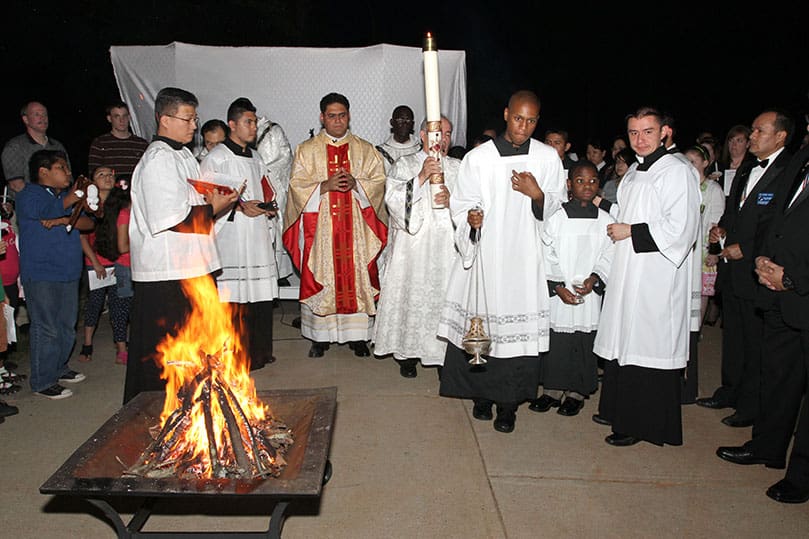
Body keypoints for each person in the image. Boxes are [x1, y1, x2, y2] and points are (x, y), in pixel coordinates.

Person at [437, 90, 565, 434]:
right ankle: (481, 397)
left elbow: (557, 207)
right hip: (487, 257)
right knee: (485, 328)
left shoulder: (547, 158)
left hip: (524, 260)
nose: (524, 127)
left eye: (532, 121)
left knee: (516, 340)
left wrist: (537, 195)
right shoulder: (479, 158)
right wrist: (472, 220)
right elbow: (461, 203)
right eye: (518, 118)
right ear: (506, 114)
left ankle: (508, 407)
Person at [593, 106, 700, 447]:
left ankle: (642, 425)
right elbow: (624, 216)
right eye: (634, 133)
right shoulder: (635, 173)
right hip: (628, 273)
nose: (639, 140)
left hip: (656, 277)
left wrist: (631, 231)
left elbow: (681, 229)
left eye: (648, 132)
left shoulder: (677, 171)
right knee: (625, 343)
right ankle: (619, 412)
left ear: (665, 132)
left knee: (646, 346)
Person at [124, 87, 238, 404]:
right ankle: (153, 416)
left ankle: (193, 412)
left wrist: (217, 200)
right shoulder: (158, 159)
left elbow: (194, 202)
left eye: (194, 118)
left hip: (192, 265)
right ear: (164, 119)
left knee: (197, 350)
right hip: (168, 273)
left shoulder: (183, 155)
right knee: (167, 357)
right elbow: (171, 218)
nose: (193, 126)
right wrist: (214, 207)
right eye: (187, 119)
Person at [716, 122, 809, 504]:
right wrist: (766, 261)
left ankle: (801, 476)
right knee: (779, 377)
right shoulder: (800, 160)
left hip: (797, 284)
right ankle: (767, 447)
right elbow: (777, 220)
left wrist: (794, 278)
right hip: (778, 289)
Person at [695, 110, 793, 428]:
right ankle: (730, 391)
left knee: (755, 342)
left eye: (758, 131)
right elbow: (736, 214)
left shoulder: (789, 172)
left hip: (760, 271)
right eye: (751, 130)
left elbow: (781, 227)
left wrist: (748, 250)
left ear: (780, 136)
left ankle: (751, 405)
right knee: (733, 337)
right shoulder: (747, 167)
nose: (751, 136)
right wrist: (720, 230)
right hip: (733, 269)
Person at [282, 92, 387, 358]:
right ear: (322, 117)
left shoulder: (365, 149)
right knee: (324, 275)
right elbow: (295, 186)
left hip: (356, 231)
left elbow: (379, 181)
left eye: (342, 115)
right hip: (323, 231)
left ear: (349, 116)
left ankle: (358, 337)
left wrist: (359, 185)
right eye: (332, 116)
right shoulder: (306, 150)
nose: (338, 121)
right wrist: (323, 186)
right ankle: (321, 337)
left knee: (358, 276)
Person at [373, 116, 459, 378]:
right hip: (413, 249)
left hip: (447, 249)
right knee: (412, 295)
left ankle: (444, 355)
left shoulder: (459, 167)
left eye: (447, 133)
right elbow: (394, 201)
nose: (442, 138)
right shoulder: (405, 164)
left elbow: (474, 205)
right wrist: (421, 177)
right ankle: (407, 352)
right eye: (436, 132)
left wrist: (453, 201)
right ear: (422, 135)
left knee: (444, 298)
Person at [529, 161, 614, 417]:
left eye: (592, 181)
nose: (586, 186)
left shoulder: (606, 220)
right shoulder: (557, 218)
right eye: (580, 181)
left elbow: (610, 253)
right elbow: (545, 251)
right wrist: (557, 286)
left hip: (589, 293)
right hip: (560, 292)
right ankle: (553, 389)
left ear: (599, 185)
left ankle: (577, 392)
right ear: (569, 184)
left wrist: (595, 277)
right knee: (558, 342)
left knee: (583, 342)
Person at [200, 97, 279, 371]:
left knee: (257, 296)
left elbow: (264, 188)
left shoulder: (255, 157)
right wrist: (240, 207)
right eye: (249, 122)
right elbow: (205, 199)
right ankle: (233, 356)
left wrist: (267, 207)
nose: (254, 127)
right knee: (234, 298)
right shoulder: (217, 157)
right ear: (232, 124)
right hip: (231, 235)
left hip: (255, 234)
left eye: (255, 122)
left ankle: (258, 352)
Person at [16, 150, 92, 399]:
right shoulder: (29, 195)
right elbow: (49, 211)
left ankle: (58, 368)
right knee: (47, 327)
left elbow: (88, 223)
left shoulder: (62, 197)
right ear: (44, 171)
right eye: (62, 168)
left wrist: (65, 217)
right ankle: (42, 380)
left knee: (66, 326)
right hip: (42, 273)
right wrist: (72, 200)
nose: (68, 173)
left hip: (68, 270)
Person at [78, 168, 132, 365]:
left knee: (119, 306)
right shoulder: (87, 206)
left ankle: (121, 349)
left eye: (110, 174)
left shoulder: (120, 204)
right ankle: (87, 344)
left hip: (118, 261)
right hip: (95, 263)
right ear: (92, 181)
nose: (108, 177)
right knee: (95, 303)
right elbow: (82, 238)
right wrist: (96, 263)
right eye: (101, 174)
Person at [684, 145, 725, 324]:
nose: (689, 165)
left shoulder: (713, 189)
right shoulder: (682, 187)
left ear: (705, 163)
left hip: (703, 248)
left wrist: (714, 251)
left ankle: (696, 329)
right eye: (686, 162)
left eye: (693, 161)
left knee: (700, 293)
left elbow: (716, 222)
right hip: (685, 249)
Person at [254, 114, 294, 286]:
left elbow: (285, 156)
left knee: (276, 228)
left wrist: (264, 170)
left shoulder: (274, 130)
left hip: (274, 184)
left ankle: (278, 272)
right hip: (254, 185)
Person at [2, 101, 71, 193]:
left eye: (45, 114)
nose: (43, 118)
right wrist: (42, 201)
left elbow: (68, 178)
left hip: (59, 204)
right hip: (27, 205)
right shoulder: (14, 147)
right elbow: (16, 185)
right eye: (37, 114)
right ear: (26, 119)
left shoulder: (57, 146)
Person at [87, 100, 149, 182]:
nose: (121, 120)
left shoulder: (141, 144)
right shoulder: (100, 143)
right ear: (109, 119)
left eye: (124, 116)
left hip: (135, 191)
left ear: (129, 117)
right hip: (110, 192)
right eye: (117, 116)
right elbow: (94, 174)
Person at [376, 105, 421, 172]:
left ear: (412, 124)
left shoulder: (420, 150)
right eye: (400, 120)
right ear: (392, 122)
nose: (404, 124)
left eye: (408, 120)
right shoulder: (379, 153)